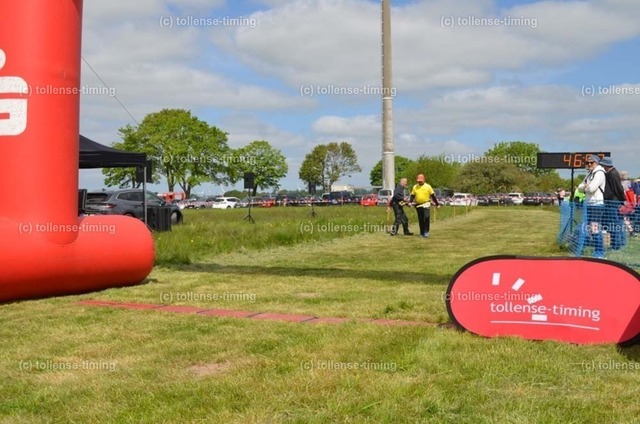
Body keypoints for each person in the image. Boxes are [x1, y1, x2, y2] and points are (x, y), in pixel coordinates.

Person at [575, 154, 606, 258]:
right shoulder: (589, 174)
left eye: (591, 162)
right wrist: (585, 186)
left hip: (596, 204)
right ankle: (594, 249)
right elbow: (579, 188)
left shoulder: (599, 173)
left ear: (596, 163)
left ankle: (599, 252)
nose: (589, 164)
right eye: (587, 163)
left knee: (595, 228)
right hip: (588, 203)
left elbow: (592, 188)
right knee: (588, 227)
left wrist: (585, 187)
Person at [600, 157, 626, 250]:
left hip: (613, 201)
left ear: (605, 165)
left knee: (613, 224)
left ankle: (616, 245)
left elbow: (618, 187)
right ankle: (621, 242)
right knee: (618, 223)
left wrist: (623, 200)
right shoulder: (612, 173)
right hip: (614, 201)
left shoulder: (613, 174)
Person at [410, 173, 440, 238]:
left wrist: (437, 204)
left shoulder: (428, 186)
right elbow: (412, 195)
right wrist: (410, 202)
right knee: (420, 219)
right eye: (418, 181)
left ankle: (426, 232)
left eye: (421, 181)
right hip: (418, 205)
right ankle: (422, 232)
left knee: (426, 218)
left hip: (426, 204)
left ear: (424, 180)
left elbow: (433, 196)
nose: (419, 182)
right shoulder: (415, 187)